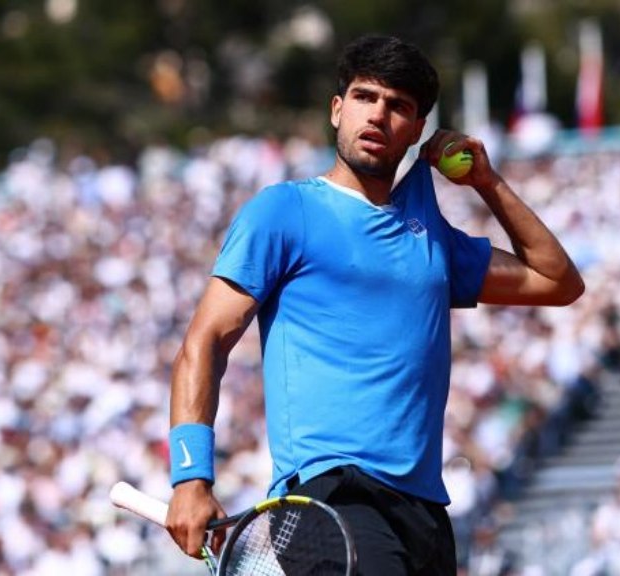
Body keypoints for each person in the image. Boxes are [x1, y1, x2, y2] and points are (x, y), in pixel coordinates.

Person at [164, 34, 584, 575]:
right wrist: (190, 478)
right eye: (365, 97)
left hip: (425, 511)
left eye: (399, 107)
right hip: (333, 498)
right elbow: (204, 341)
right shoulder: (282, 212)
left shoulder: (433, 241)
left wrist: (486, 181)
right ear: (337, 109)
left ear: (417, 131)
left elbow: (558, 280)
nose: (378, 115)